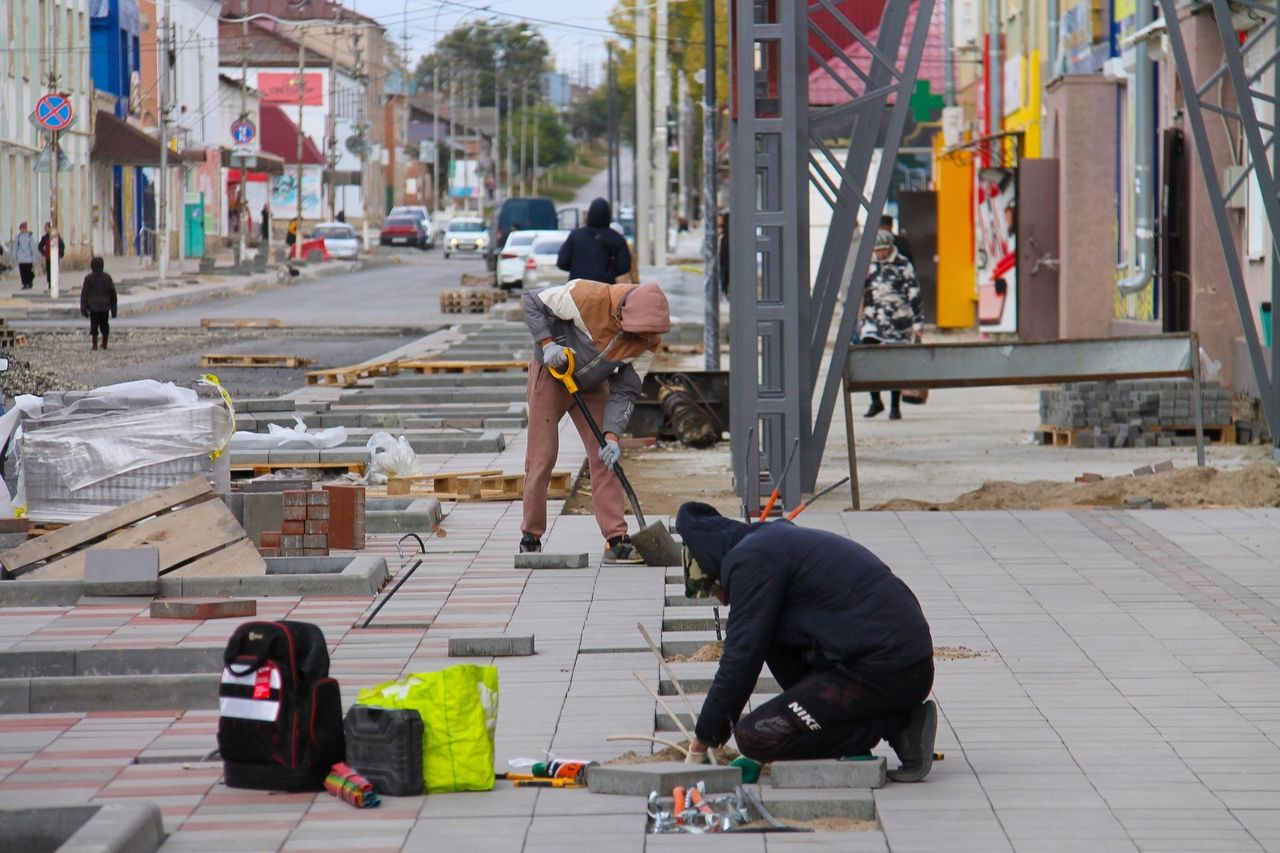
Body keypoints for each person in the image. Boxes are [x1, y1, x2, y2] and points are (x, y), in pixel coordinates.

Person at [675, 501, 937, 782]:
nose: (723, 599)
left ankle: (899, 725)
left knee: (755, 736)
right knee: (770, 636)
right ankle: (862, 725)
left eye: (715, 589)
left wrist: (703, 739)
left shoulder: (753, 561)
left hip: (887, 671)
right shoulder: (771, 541)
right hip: (902, 663)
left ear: (711, 563)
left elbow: (740, 658)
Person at [521, 279, 671, 562]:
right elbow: (532, 300)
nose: (644, 338)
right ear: (623, 314)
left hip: (591, 384)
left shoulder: (649, 341)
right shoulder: (585, 296)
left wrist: (613, 435)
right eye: (639, 332)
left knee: (605, 456)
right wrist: (547, 343)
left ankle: (616, 539)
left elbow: (626, 389)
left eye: (649, 333)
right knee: (542, 457)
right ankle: (531, 536)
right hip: (553, 373)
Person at [859, 229, 922, 420]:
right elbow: (857, 289)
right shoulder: (868, 264)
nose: (880, 254)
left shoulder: (903, 265)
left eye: (883, 250)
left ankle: (895, 406)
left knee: (896, 365)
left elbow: (914, 294)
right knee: (868, 360)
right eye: (877, 250)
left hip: (898, 321)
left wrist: (918, 323)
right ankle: (875, 400)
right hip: (873, 320)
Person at [556, 198, 632, 284]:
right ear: (608, 216)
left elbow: (562, 262)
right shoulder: (616, 238)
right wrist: (609, 272)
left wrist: (577, 268)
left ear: (589, 214)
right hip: (604, 287)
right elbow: (624, 266)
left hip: (578, 286)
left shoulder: (575, 235)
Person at [80, 257, 118, 351]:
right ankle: (104, 344)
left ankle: (94, 345)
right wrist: (114, 310)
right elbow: (113, 294)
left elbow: (84, 294)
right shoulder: (107, 277)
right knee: (105, 325)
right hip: (105, 306)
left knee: (94, 325)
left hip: (93, 307)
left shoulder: (88, 278)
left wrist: (83, 308)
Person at [37, 222, 64, 288]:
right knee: (49, 270)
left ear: (50, 228)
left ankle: (54, 283)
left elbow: (62, 246)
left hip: (55, 256)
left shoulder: (55, 236)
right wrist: (44, 253)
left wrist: (59, 253)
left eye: (46, 227)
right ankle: (50, 283)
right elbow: (40, 246)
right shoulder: (45, 237)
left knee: (54, 270)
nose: (45, 229)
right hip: (48, 257)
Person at [11, 222, 37, 290]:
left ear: (26, 229)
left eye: (23, 228)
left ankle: (30, 282)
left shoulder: (30, 236)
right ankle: (25, 284)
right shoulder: (18, 237)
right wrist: (14, 256)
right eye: (21, 228)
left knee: (29, 271)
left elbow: (33, 248)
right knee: (23, 272)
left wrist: (34, 258)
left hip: (29, 258)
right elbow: (15, 247)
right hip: (21, 258)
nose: (22, 229)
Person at [717, 211, 729, 298]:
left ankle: (725, 293)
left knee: (725, 278)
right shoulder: (722, 230)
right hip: (724, 259)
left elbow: (725, 247)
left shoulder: (727, 231)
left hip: (726, 260)